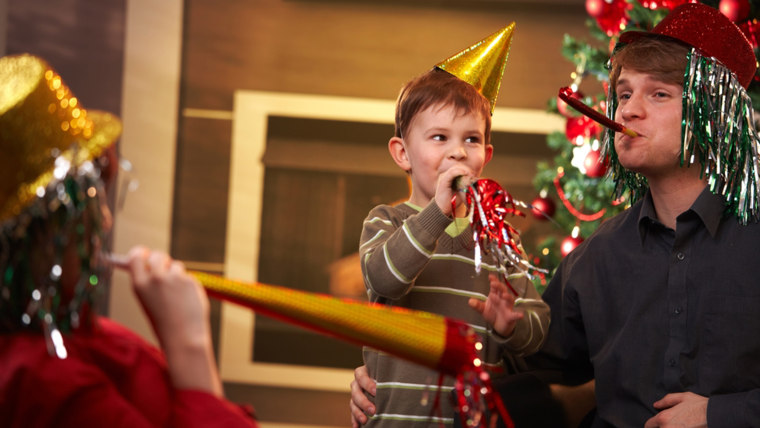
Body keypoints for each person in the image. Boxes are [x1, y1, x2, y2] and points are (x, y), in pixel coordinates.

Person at [528, 3, 760, 427]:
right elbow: (522, 369)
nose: (628, 111)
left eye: (659, 93)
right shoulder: (594, 258)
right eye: (625, 93)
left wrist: (719, 414)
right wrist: (386, 384)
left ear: (712, 114)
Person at [0, 53, 257, 427]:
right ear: (32, 237)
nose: (104, 221)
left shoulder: (88, 334)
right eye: (81, 207)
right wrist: (189, 345)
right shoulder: (41, 378)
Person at [356, 25, 550, 427]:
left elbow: (537, 332)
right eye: (440, 137)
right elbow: (385, 279)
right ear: (402, 153)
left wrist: (510, 323)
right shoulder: (386, 221)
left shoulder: (500, 238)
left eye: (472, 140)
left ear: (486, 155)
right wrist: (438, 213)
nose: (458, 152)